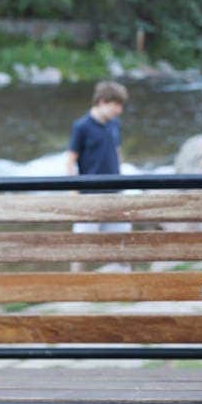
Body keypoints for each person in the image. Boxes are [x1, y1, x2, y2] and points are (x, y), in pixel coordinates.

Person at [65, 80, 130, 271]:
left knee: (122, 243)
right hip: (90, 194)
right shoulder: (82, 126)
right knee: (82, 246)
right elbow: (70, 160)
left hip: (116, 193)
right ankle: (74, 288)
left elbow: (117, 151)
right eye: (116, 105)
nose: (119, 110)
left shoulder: (114, 124)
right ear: (102, 101)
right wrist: (74, 191)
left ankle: (126, 285)